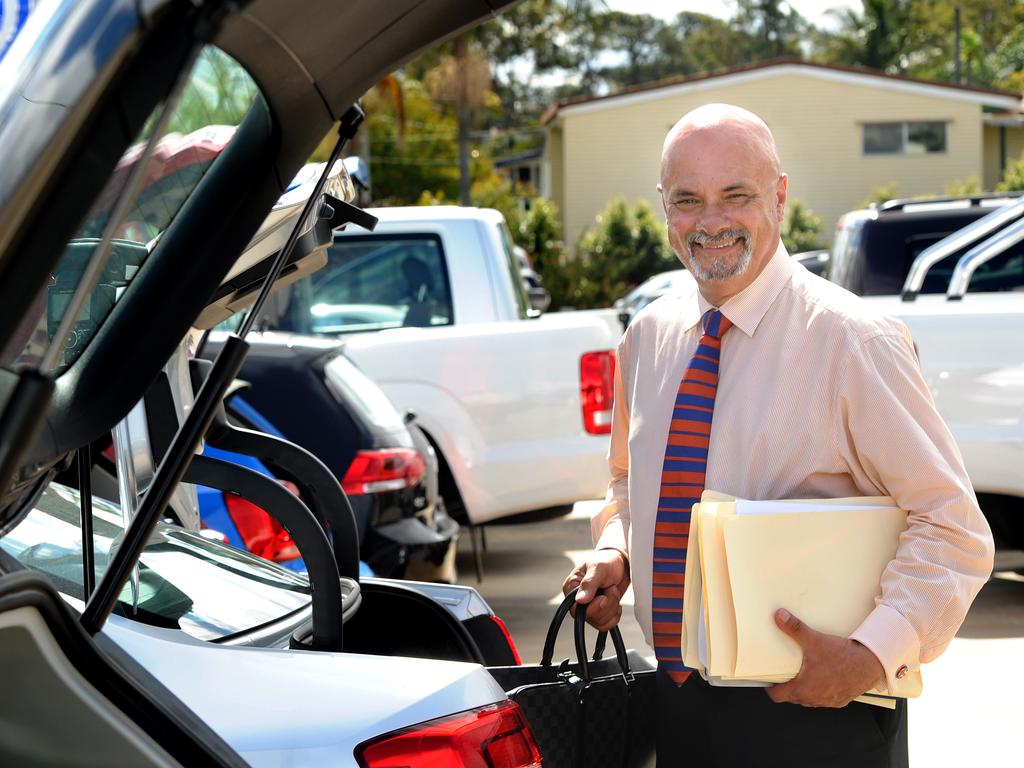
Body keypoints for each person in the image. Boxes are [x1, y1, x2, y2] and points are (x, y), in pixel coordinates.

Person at [563, 103, 994, 767]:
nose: (710, 223)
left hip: (818, 711)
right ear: (663, 206)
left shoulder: (853, 343)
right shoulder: (646, 339)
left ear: (780, 195)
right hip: (678, 707)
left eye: (736, 195)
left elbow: (952, 527)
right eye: (687, 200)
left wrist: (868, 655)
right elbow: (628, 479)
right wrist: (619, 552)